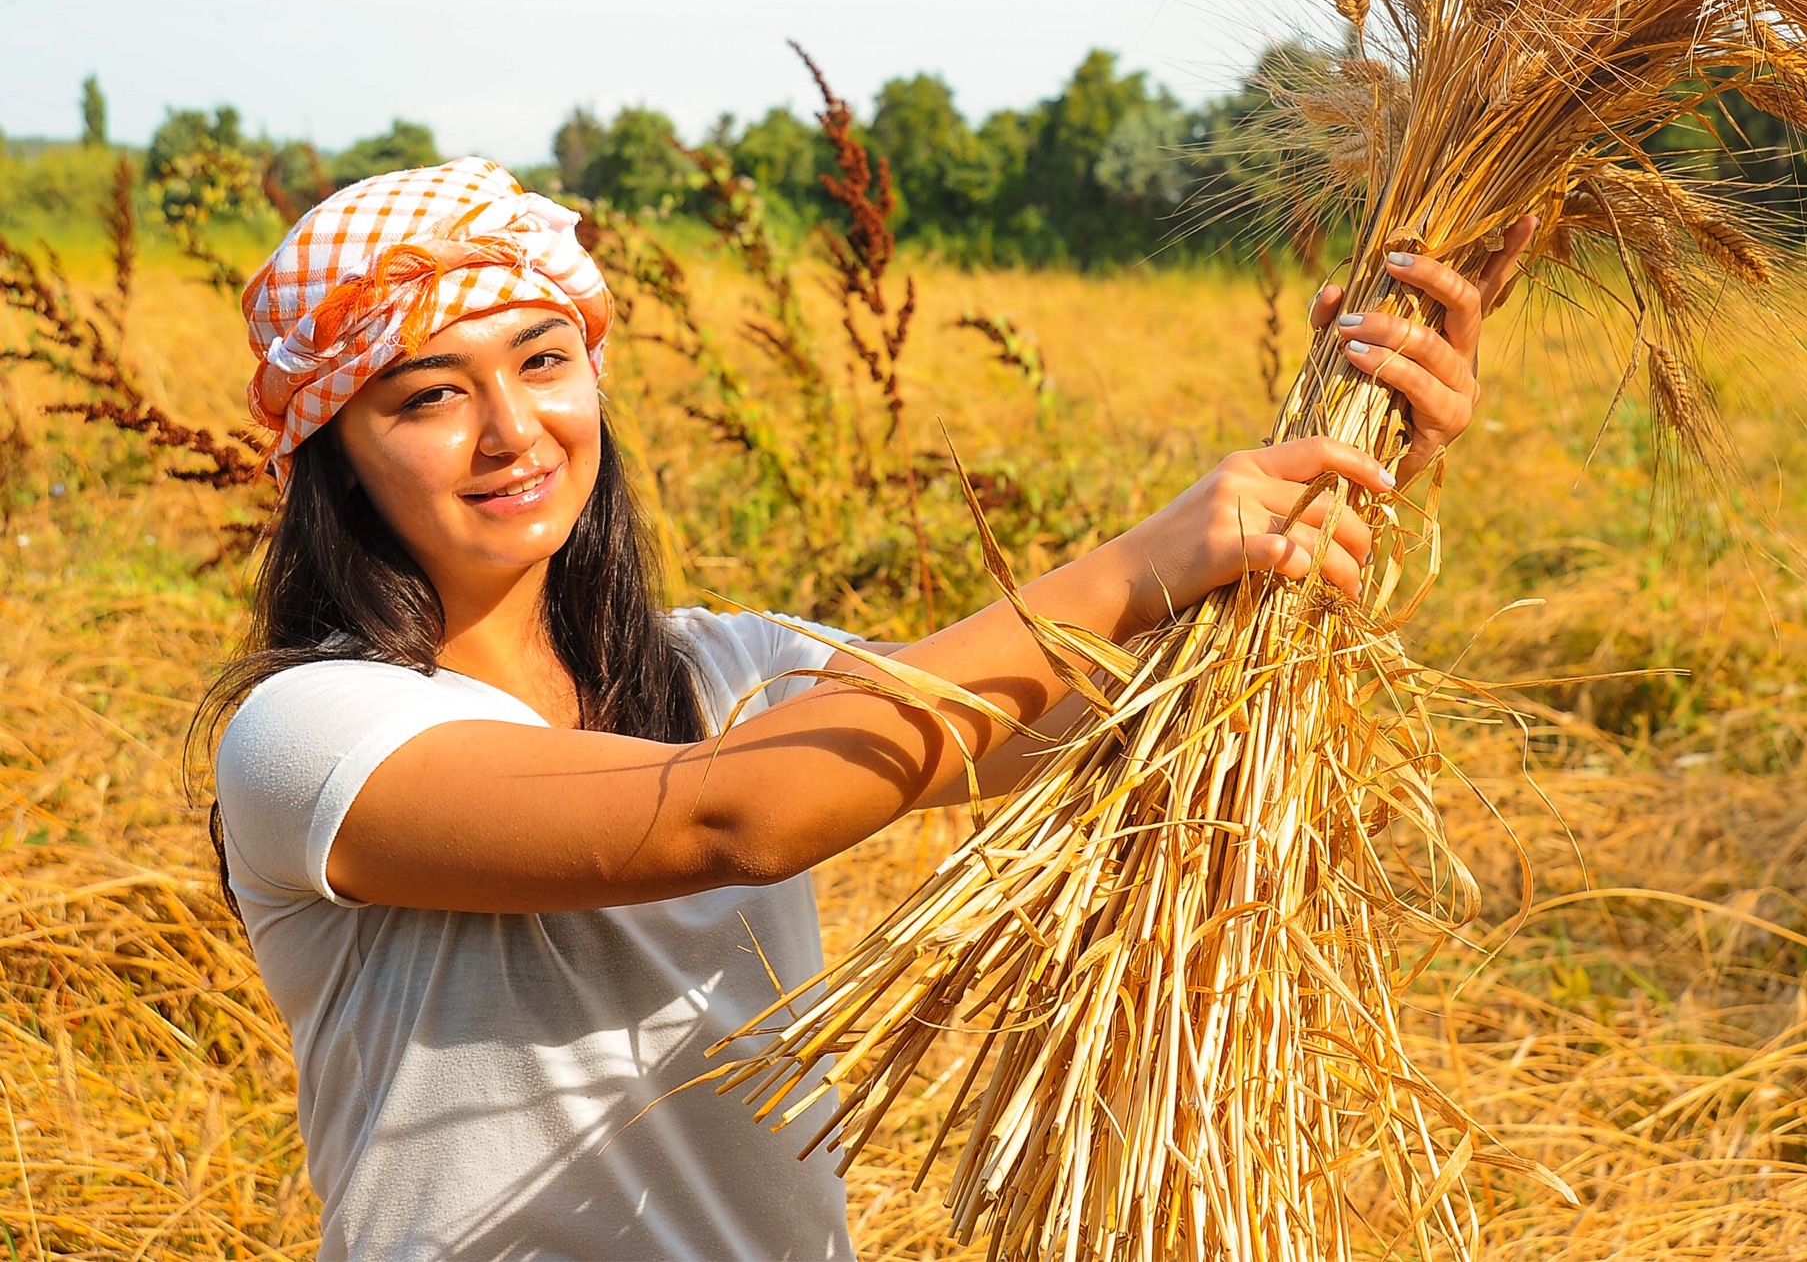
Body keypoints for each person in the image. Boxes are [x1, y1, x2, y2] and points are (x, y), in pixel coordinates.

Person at [200, 158, 1533, 1260]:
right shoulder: (314, 734)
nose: (511, 428)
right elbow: (728, 817)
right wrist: (1151, 551)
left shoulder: (731, 669)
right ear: (335, 453)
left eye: (543, 359)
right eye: (429, 394)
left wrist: (1351, 456)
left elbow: (1117, 722)